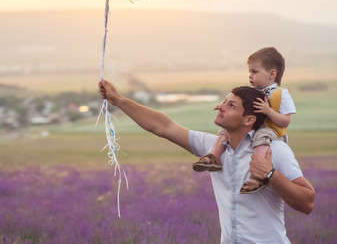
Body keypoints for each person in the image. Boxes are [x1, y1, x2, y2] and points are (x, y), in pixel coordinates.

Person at [98, 80, 315, 244]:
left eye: (231, 105)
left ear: (249, 119)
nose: (220, 107)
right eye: (223, 102)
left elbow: (307, 202)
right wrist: (118, 100)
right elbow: (163, 126)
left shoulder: (275, 151)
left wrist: (271, 175)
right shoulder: (213, 148)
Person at [192, 47, 296, 194]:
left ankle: (258, 174)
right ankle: (213, 157)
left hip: (271, 130)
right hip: (255, 127)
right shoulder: (255, 93)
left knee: (260, 138)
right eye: (250, 72)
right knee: (224, 131)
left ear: (272, 74)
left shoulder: (281, 94)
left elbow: (285, 122)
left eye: (254, 72)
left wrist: (268, 111)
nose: (250, 76)